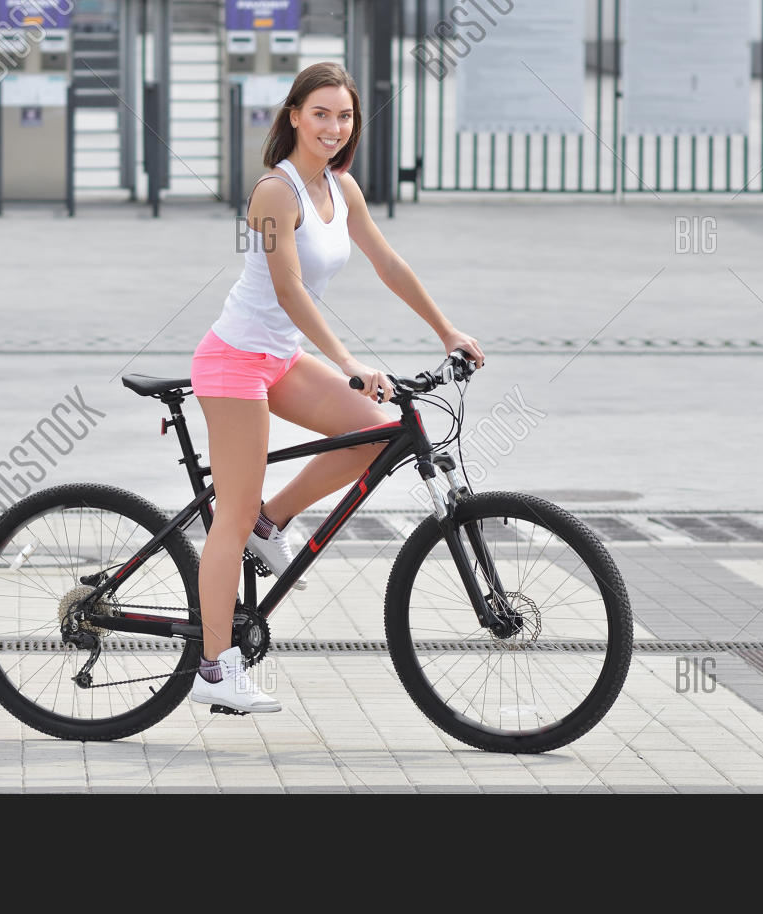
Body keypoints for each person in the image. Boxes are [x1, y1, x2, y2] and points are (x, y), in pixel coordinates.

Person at [187, 62, 485, 713]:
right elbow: (288, 288)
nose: (333, 126)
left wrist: (447, 330)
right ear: (294, 116)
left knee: (376, 435)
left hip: (280, 360)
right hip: (234, 363)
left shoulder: (340, 187)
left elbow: (387, 262)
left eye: (344, 116)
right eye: (320, 113)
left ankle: (273, 518)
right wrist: (350, 362)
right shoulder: (275, 192)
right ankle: (213, 669)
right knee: (230, 516)